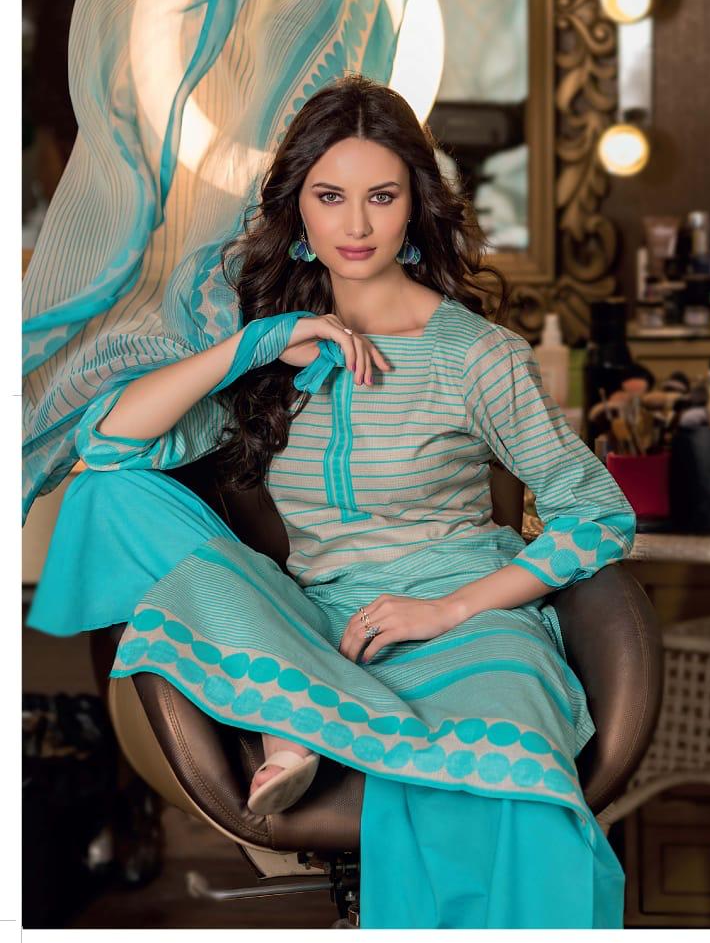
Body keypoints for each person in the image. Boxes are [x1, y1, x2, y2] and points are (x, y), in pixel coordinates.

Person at [26, 74, 637, 929]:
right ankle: (298, 711)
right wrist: (253, 344)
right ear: (298, 214)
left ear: (414, 207)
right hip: (317, 626)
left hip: (466, 620)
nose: (355, 225)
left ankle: (300, 719)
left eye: (380, 196)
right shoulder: (275, 359)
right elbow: (108, 446)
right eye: (329, 196)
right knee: (114, 496)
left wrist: (446, 608)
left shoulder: (477, 355)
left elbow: (598, 515)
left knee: (502, 787)